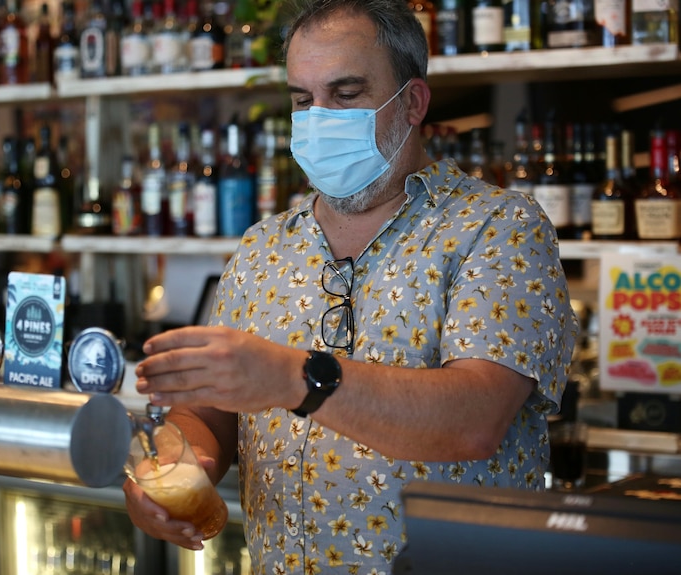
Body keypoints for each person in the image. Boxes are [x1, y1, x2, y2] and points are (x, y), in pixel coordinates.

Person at [123, 0, 579, 572]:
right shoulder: (262, 247)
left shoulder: (498, 228)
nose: (319, 118)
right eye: (302, 100)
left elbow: (475, 419)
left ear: (412, 103)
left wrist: (294, 377)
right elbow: (211, 413)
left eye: (345, 94)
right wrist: (173, 473)